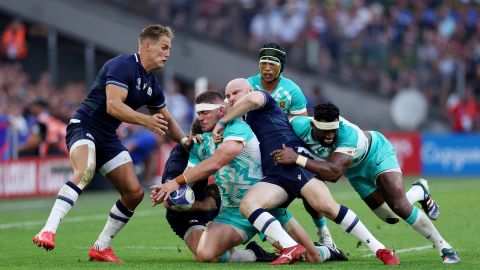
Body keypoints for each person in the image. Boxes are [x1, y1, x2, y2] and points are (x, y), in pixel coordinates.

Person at [32, 24, 191, 263]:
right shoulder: (122, 65)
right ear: (148, 46)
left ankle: (101, 246)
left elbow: (166, 118)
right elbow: (113, 105)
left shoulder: (152, 84)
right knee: (84, 171)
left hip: (107, 137)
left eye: (169, 48)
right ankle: (48, 230)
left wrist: (185, 140)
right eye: (164, 47)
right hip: (83, 126)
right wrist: (145, 121)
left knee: (134, 193)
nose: (168, 53)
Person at [211, 78, 399, 265]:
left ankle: (380, 249)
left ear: (250, 89)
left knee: (326, 206)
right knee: (249, 205)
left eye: (236, 93)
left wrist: (221, 122)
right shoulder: (242, 120)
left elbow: (252, 100)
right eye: (228, 96)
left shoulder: (262, 99)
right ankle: (300, 248)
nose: (231, 98)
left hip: (292, 160)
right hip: (274, 174)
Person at [152, 91, 346, 264]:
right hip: (231, 211)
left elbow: (217, 161)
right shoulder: (200, 143)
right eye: (198, 113)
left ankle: (325, 250)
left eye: (205, 113)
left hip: (260, 204)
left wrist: (174, 183)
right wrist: (169, 193)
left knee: (314, 258)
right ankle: (255, 254)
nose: (200, 118)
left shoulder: (237, 129)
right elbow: (190, 176)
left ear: (221, 111)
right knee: (205, 254)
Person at [271, 102, 460, 264]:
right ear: (313, 125)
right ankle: (419, 191)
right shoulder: (297, 125)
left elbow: (334, 173)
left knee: (399, 205)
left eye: (333, 130)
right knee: (390, 217)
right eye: (325, 131)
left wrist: (297, 158)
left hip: (376, 154)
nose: (330, 135)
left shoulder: (347, 135)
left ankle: (444, 247)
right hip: (355, 171)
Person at [248, 43, 334, 247]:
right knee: (255, 197)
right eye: (264, 63)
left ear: (281, 67)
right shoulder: (247, 86)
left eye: (273, 64)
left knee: (308, 191)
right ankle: (279, 242)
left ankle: (323, 231)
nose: (267, 68)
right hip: (256, 151)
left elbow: (300, 128)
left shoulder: (292, 91)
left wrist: (297, 155)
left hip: (286, 150)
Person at [160, 119, 221, 256]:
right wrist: (203, 206)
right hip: (187, 213)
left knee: (256, 203)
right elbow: (168, 201)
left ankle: (280, 242)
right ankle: (252, 254)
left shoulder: (227, 146)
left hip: (220, 199)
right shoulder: (178, 162)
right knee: (208, 255)